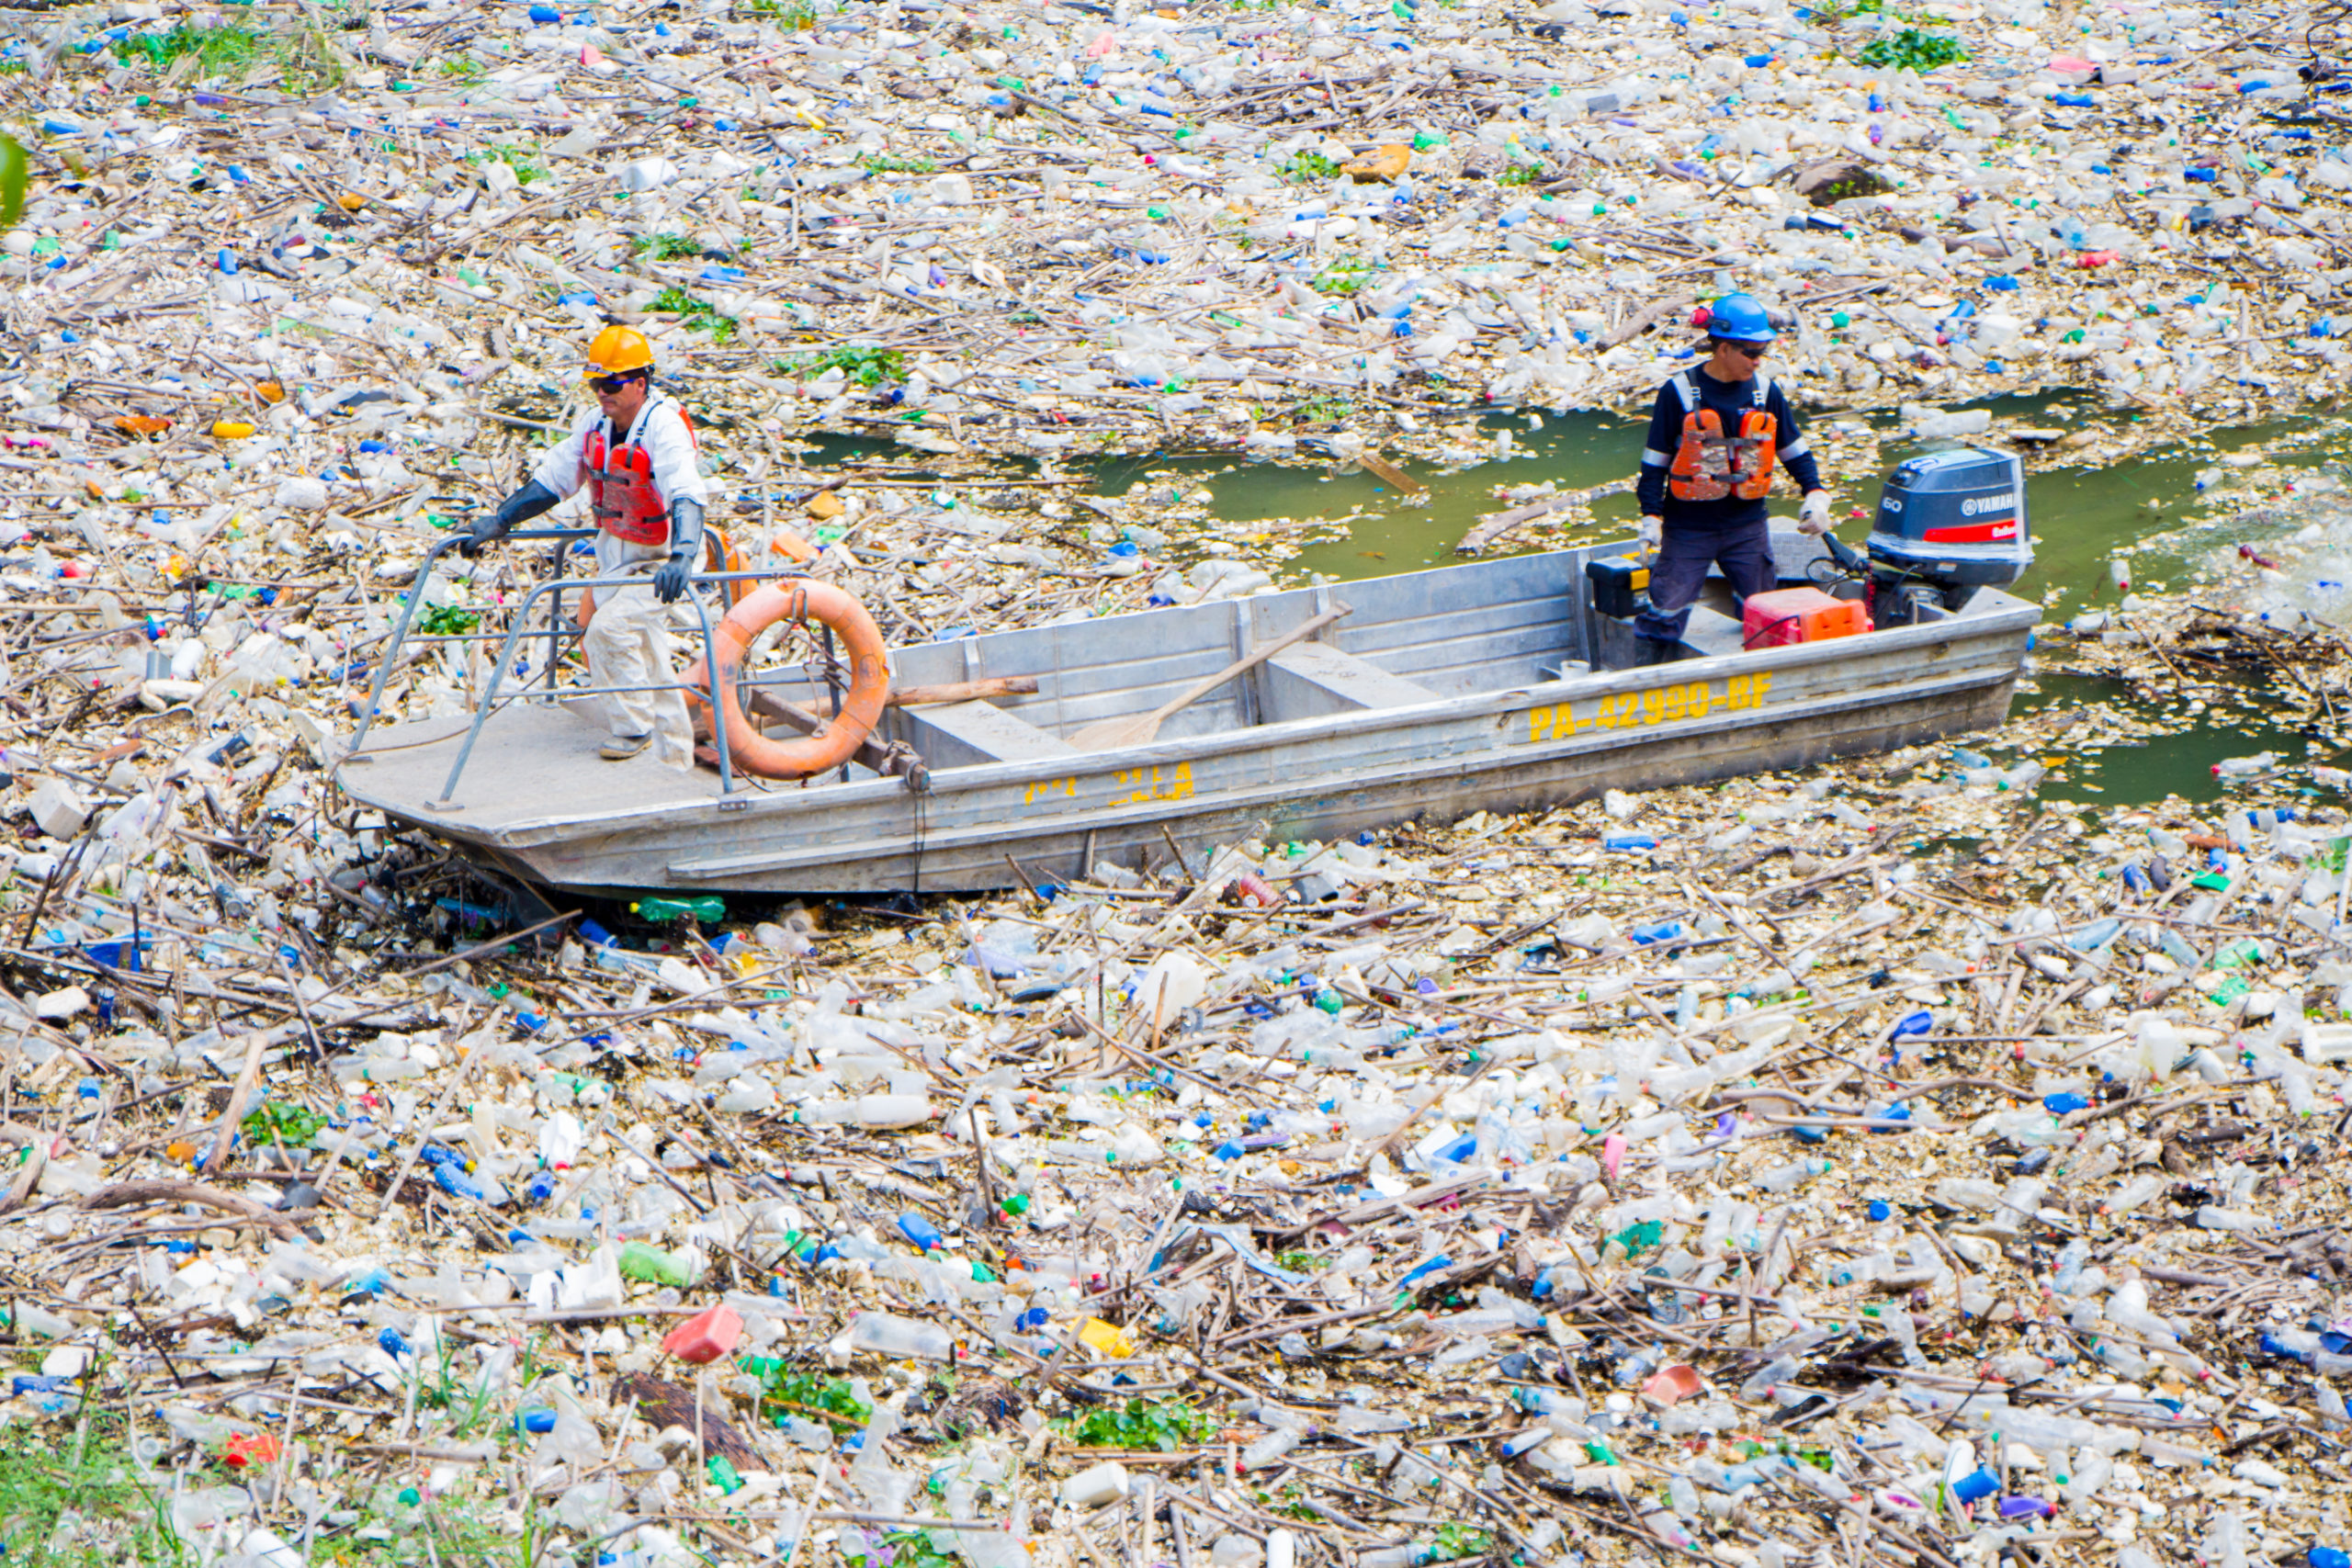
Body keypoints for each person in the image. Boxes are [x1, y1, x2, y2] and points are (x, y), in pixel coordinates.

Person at [464, 324, 711, 764]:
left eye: (611, 383)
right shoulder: (595, 424)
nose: (602, 393)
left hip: (662, 561)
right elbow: (555, 477)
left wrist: (684, 556)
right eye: (596, 384)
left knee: (608, 630)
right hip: (617, 553)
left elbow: (686, 491)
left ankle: (634, 731)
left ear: (640, 382)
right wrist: (500, 520)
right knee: (651, 656)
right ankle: (676, 759)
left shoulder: (663, 427)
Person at [1631, 293, 1832, 664]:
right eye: (1750, 353)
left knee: (1763, 610)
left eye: (1762, 353)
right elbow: (1654, 464)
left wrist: (1815, 494)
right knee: (1666, 611)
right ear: (1723, 348)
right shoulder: (1677, 393)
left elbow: (1793, 450)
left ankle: (1760, 684)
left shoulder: (1765, 391)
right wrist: (1651, 517)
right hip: (1689, 528)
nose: (1757, 362)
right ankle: (1644, 682)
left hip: (1747, 526)